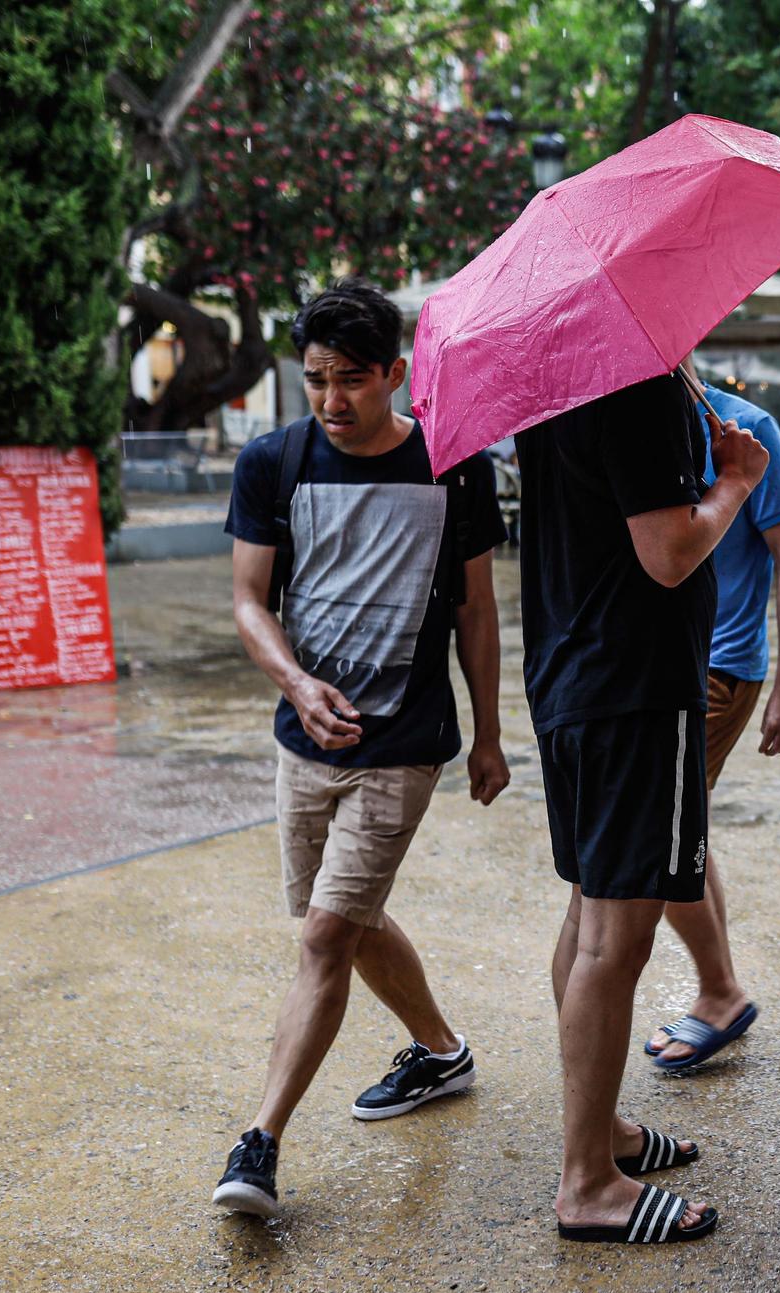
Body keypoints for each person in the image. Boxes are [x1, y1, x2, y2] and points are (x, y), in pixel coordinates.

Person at [215, 279, 509, 1217]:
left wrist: (492, 732)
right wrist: (298, 685)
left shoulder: (453, 464)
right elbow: (249, 603)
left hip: (405, 739)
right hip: (303, 740)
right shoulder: (274, 462)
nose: (333, 400)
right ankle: (441, 1050)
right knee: (344, 916)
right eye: (314, 381)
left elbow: (475, 608)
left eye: (352, 379)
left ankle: (258, 1144)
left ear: (396, 373)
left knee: (326, 934)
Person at [518, 367, 767, 1245]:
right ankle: (588, 1180)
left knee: (589, 913)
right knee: (615, 938)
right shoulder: (641, 388)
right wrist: (734, 481)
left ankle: (602, 1131)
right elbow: (669, 551)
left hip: (570, 678)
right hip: (634, 687)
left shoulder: (553, 386)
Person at [642, 371, 780, 1072]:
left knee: (657, 837)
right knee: (681, 826)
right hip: (654, 667)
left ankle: (719, 990)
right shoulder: (636, 428)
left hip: (717, 666)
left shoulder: (744, 429)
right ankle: (720, 987)